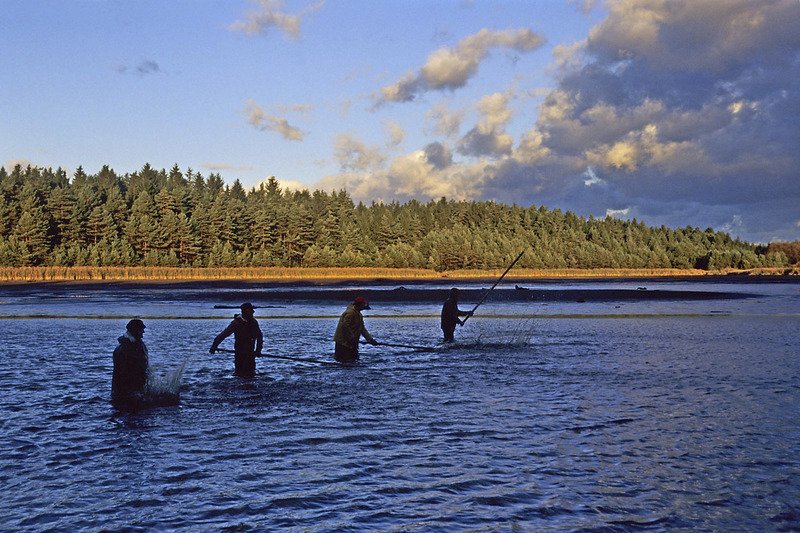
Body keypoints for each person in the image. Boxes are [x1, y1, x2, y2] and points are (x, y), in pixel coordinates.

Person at [209, 302, 263, 377]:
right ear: (247, 311)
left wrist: (258, 350)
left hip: (250, 353)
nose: (253, 312)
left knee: (250, 374)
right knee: (240, 373)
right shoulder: (236, 323)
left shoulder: (253, 322)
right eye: (251, 310)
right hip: (239, 353)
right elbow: (224, 334)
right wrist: (214, 345)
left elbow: (259, 337)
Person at [112, 319, 149, 411]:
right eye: (141, 329)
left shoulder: (133, 345)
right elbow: (125, 374)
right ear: (135, 330)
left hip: (127, 391)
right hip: (127, 392)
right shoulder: (125, 349)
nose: (143, 332)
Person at [334, 296, 377, 364]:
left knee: (353, 361)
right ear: (359, 305)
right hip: (343, 343)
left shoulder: (358, 314)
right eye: (363, 304)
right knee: (344, 362)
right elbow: (345, 327)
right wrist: (352, 338)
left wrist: (370, 340)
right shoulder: (350, 313)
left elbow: (362, 329)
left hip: (351, 343)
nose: (365, 306)